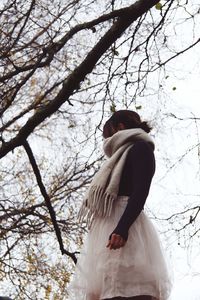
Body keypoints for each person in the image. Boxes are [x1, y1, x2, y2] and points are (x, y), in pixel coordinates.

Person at [69, 110, 172, 300]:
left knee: (132, 290)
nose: (105, 142)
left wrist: (122, 229)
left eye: (107, 135)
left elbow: (141, 191)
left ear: (120, 127)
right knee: (107, 292)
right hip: (106, 228)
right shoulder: (116, 161)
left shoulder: (141, 148)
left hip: (126, 226)